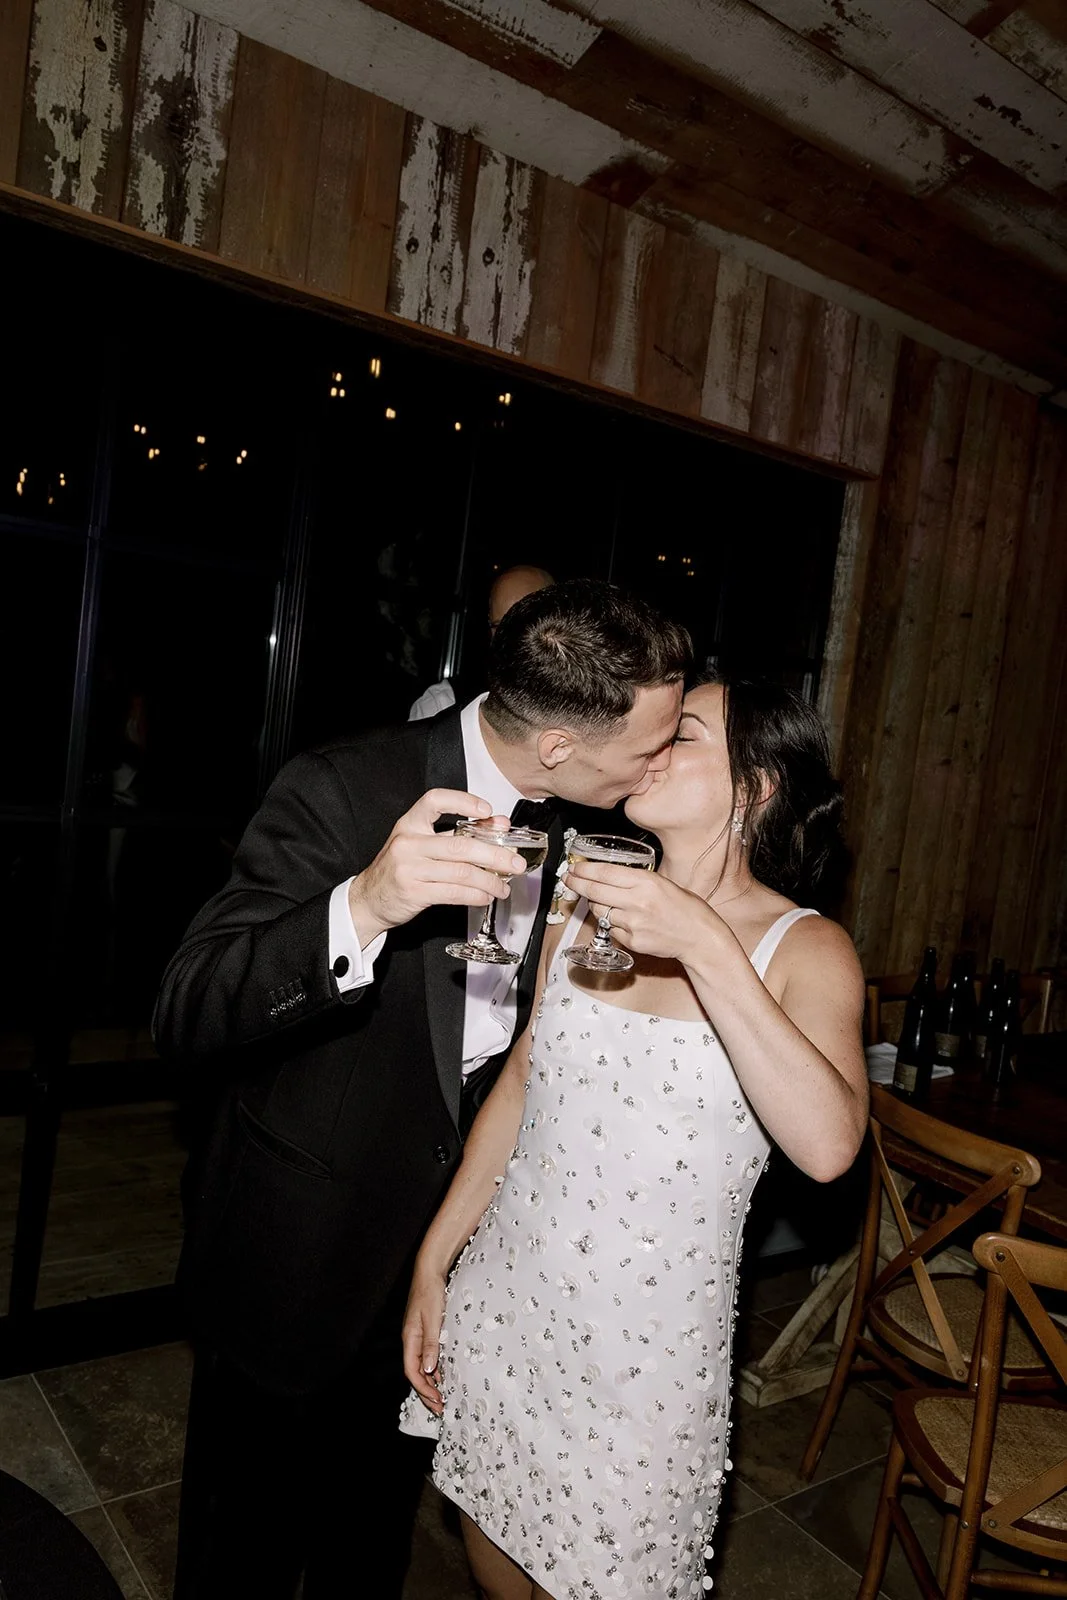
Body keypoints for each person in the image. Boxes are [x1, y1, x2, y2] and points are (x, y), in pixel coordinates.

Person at [154, 578, 690, 1600]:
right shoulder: (342, 786)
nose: (661, 764)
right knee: (245, 1548)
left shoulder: (604, 822)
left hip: (454, 1260)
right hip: (299, 1248)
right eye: (651, 746)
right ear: (558, 748)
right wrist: (364, 905)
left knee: (372, 1536)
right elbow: (185, 1007)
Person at [402, 676, 868, 1600]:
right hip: (508, 1310)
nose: (647, 748)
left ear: (755, 785)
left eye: (681, 734)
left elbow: (827, 1148)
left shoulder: (805, 950)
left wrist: (703, 942)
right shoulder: (583, 904)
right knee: (497, 1564)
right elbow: (523, 1082)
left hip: (640, 1363)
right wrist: (434, 1258)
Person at [409, 564, 555, 721]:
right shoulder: (442, 706)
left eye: (528, 625)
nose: (513, 640)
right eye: (500, 627)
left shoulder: (580, 699)